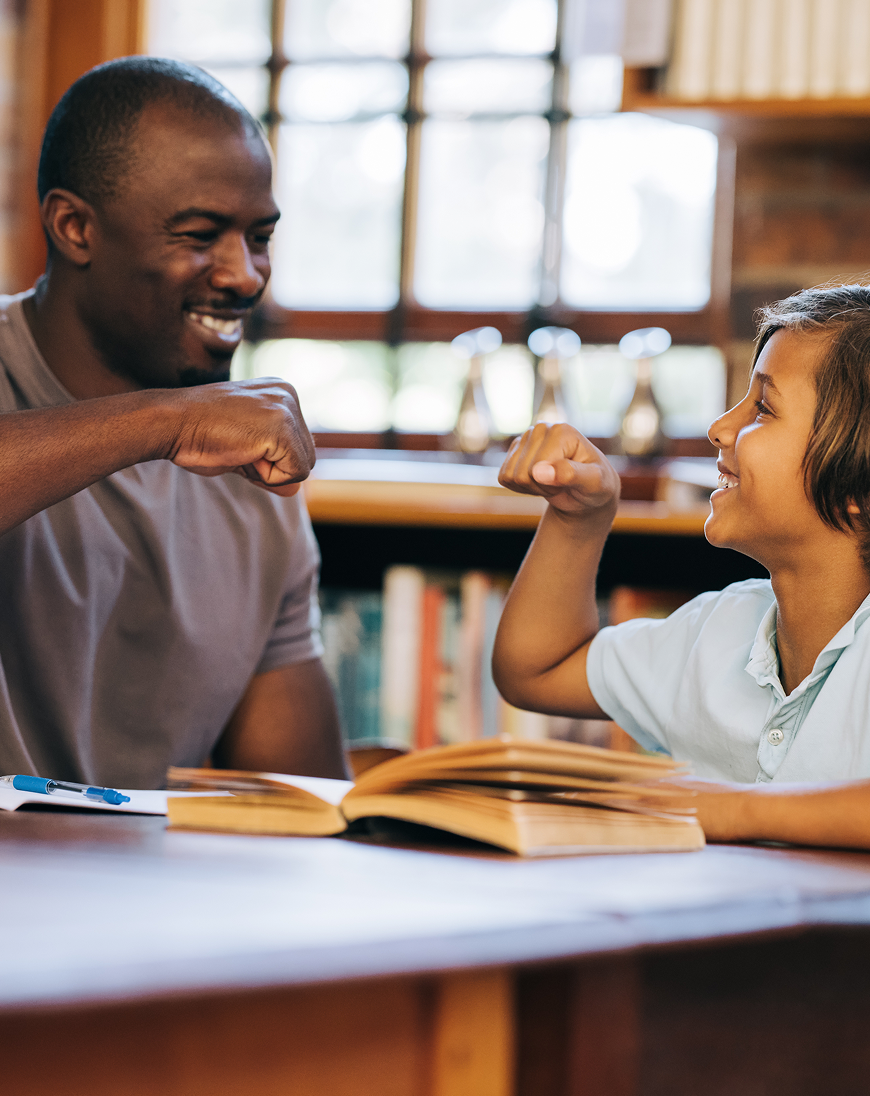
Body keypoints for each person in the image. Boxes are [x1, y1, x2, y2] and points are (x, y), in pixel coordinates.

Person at [0, 57, 348, 787]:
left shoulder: (253, 476)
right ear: (74, 227)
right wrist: (167, 423)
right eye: (199, 235)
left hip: (147, 866)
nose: (245, 274)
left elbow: (298, 800)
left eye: (260, 237)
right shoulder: (196, 422)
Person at [493, 285, 870, 801]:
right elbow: (535, 671)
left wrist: (723, 812)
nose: (719, 427)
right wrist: (578, 518)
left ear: (857, 488)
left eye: (763, 408)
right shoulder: (714, 634)